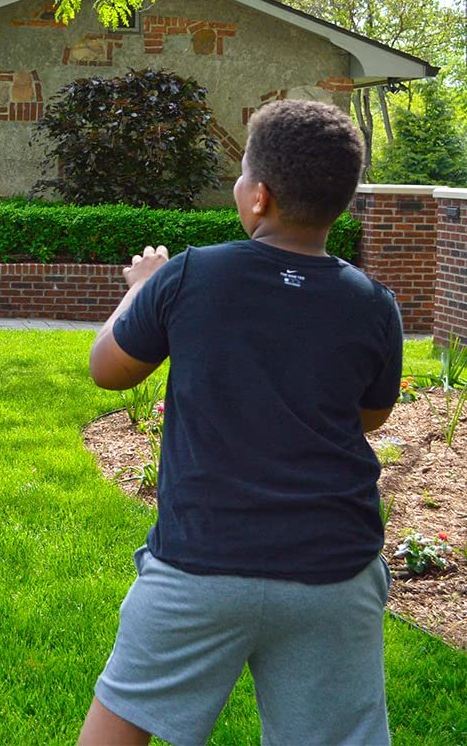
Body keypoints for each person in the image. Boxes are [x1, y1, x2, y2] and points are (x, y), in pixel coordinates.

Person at [79, 100, 403, 746]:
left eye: (240, 174)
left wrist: (142, 288)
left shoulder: (191, 275)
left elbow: (107, 368)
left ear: (259, 198)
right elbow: (371, 414)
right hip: (333, 573)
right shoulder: (373, 305)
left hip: (200, 566)